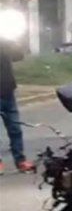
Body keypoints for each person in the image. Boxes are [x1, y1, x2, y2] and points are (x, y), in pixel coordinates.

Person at [0, 38, 35, 175]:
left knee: (15, 129)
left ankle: (20, 161)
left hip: (8, 92)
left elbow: (18, 56)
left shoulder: (4, 42)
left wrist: (14, 42)